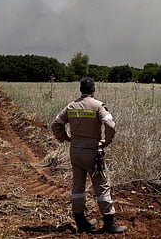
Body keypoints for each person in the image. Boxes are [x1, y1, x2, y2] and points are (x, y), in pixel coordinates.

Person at [51, 77, 127, 234]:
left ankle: (81, 222)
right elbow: (110, 124)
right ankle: (109, 223)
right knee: (102, 186)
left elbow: (56, 124)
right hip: (93, 153)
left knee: (78, 186)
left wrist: (65, 138)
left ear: (80, 90)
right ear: (93, 90)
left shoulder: (71, 106)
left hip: (75, 152)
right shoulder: (98, 106)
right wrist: (106, 141)